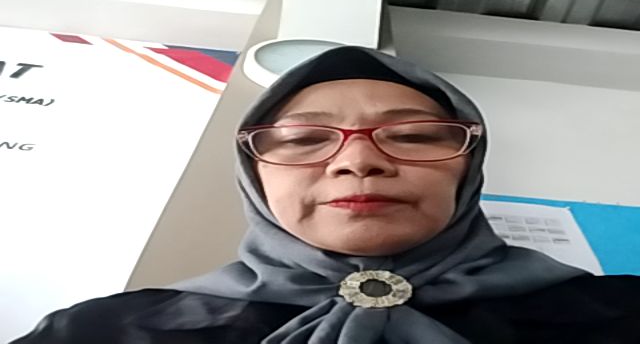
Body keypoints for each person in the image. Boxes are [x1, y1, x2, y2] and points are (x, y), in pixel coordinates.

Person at [12, 46, 640, 344]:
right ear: (255, 175)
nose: (358, 161)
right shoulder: (104, 332)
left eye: (414, 135)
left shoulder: (618, 316)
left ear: (467, 167)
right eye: (305, 140)